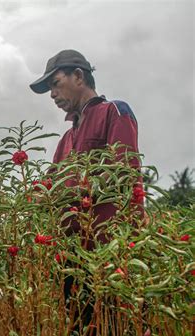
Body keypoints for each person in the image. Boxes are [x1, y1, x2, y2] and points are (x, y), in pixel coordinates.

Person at [30, 49, 142, 246]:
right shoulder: (66, 139)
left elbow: (124, 171)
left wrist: (61, 196)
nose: (52, 95)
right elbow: (48, 185)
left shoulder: (114, 111)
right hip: (70, 251)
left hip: (111, 246)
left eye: (55, 84)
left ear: (78, 76)